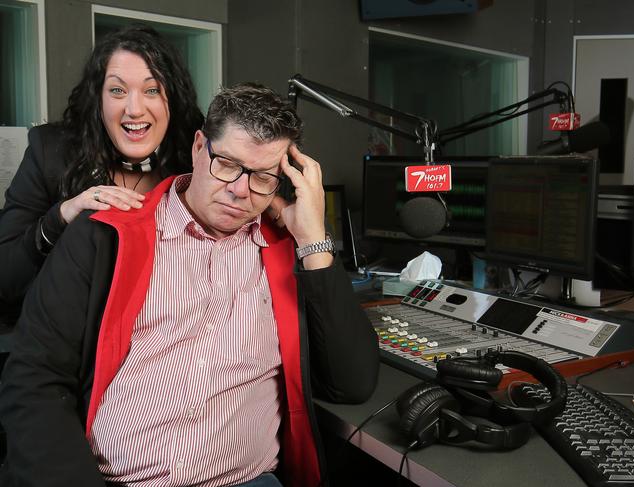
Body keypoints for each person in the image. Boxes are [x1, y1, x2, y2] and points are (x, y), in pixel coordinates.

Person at [0, 82, 379, 487]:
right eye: (228, 164)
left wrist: (313, 240)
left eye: (262, 177)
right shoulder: (105, 235)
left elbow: (351, 383)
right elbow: (34, 378)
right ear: (199, 147)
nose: (240, 191)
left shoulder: (286, 251)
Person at [0, 24, 204, 325]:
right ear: (98, 99)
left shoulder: (195, 162)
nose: (134, 109)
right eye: (118, 90)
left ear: (172, 99)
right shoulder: (51, 153)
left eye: (151, 90)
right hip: (73, 346)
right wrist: (61, 216)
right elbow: (5, 279)